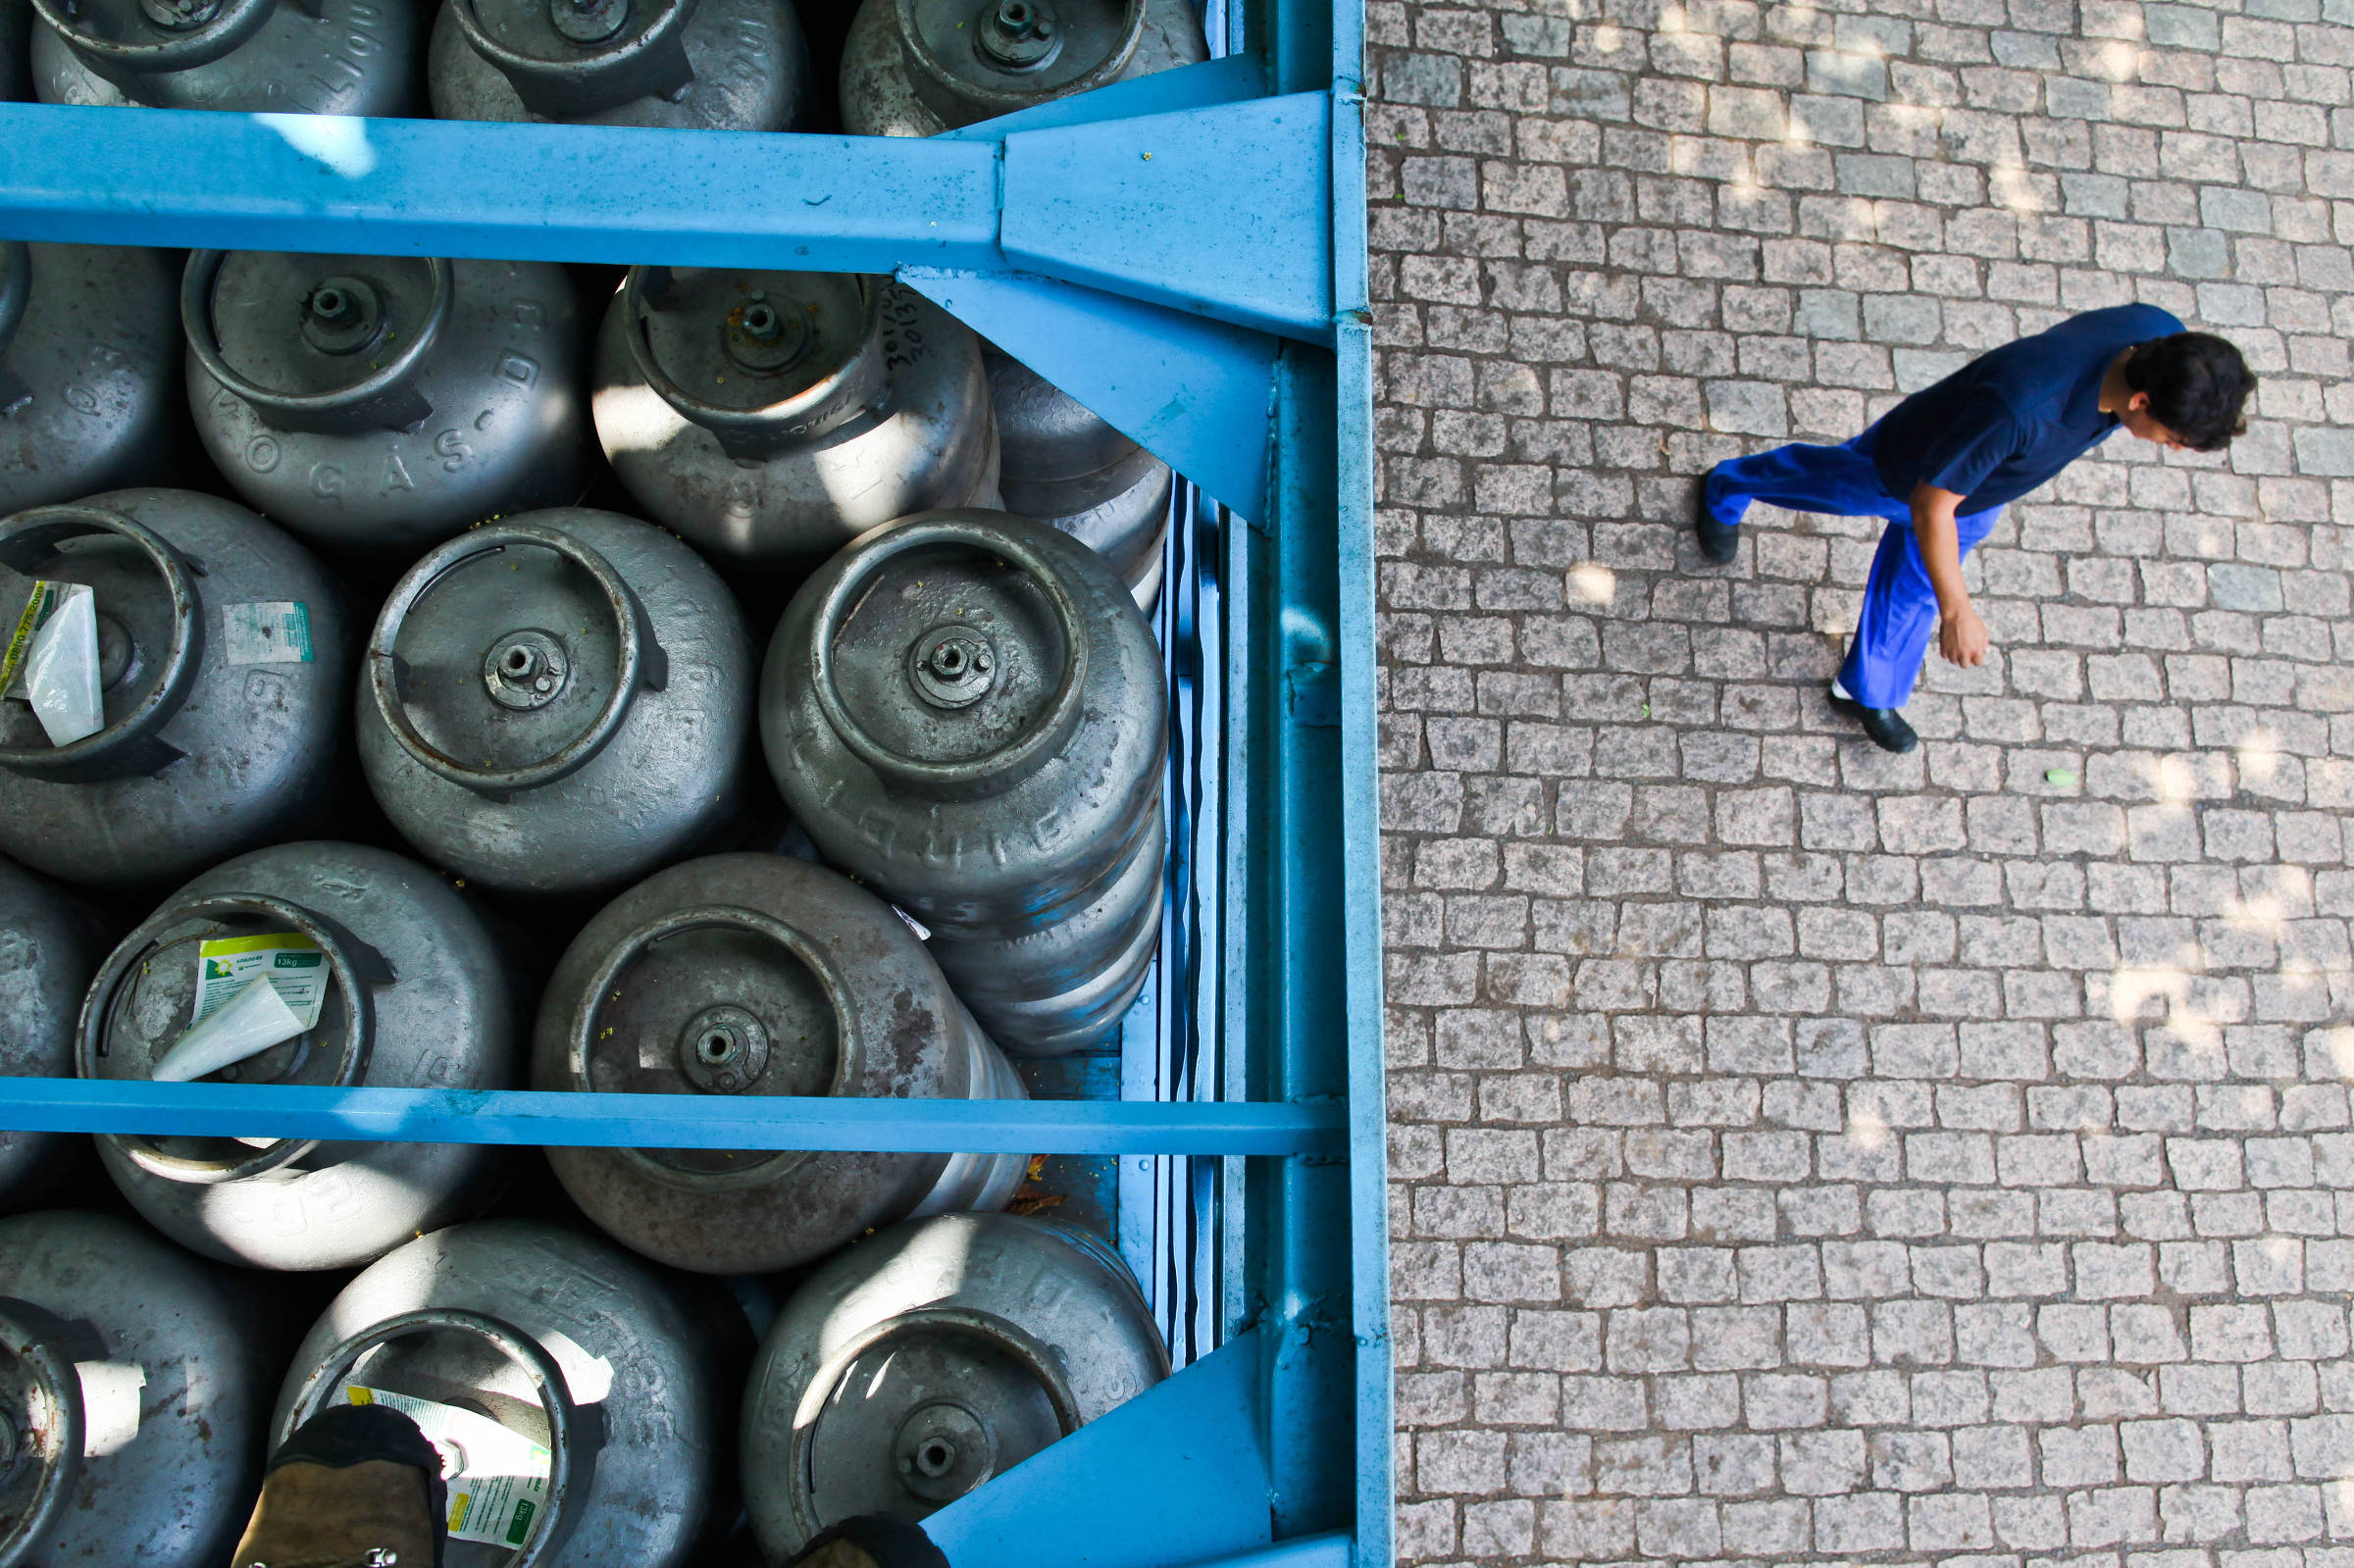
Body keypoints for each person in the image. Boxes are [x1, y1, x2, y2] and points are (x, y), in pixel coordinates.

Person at [1693, 305, 2254, 752]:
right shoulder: (2022, 411)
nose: (2172, 447)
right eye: (2174, 438)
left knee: (1915, 587)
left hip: (1980, 485)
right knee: (1819, 482)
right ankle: (1728, 486)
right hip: (1908, 470)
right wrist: (1958, 611)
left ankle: (1866, 690)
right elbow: (1931, 506)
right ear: (2140, 399)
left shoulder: (2157, 335)